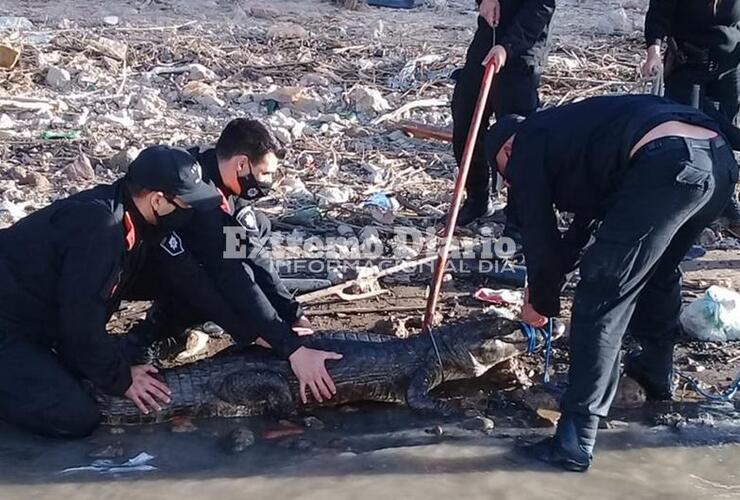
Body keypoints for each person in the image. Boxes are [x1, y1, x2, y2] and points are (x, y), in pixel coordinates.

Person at [484, 94, 738, 471]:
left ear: (506, 148)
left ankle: (574, 440)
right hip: (716, 163)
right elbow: (581, 231)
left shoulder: (528, 141)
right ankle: (654, 375)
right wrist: (548, 286)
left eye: (504, 172)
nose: (510, 182)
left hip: (666, 161)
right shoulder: (575, 136)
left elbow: (538, 229)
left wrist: (540, 300)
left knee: (601, 294)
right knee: (657, 272)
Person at [0, 146, 223, 437]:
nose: (190, 211)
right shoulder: (100, 229)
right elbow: (80, 321)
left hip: (38, 315)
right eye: (186, 203)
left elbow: (198, 277)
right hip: (10, 326)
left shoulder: (133, 216)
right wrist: (122, 379)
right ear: (157, 200)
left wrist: (275, 333)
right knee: (74, 416)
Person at [126, 119, 342, 406]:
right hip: (143, 265)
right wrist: (281, 345)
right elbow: (231, 275)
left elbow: (252, 256)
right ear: (241, 165)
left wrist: (292, 314)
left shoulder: (229, 187)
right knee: (205, 284)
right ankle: (146, 339)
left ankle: (174, 327)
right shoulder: (199, 198)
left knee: (257, 226)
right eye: (264, 173)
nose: (267, 183)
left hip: (192, 256)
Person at [452, 0, 555, 236]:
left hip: (523, 49)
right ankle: (477, 198)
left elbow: (542, 7)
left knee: (517, 138)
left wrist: (508, 47)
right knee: (465, 117)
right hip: (488, 37)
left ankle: (518, 216)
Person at [642, 0, 740, 236]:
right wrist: (653, 54)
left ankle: (725, 205)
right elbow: (658, 16)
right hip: (688, 66)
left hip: (728, 69)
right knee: (688, 137)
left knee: (725, 138)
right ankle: (685, 205)